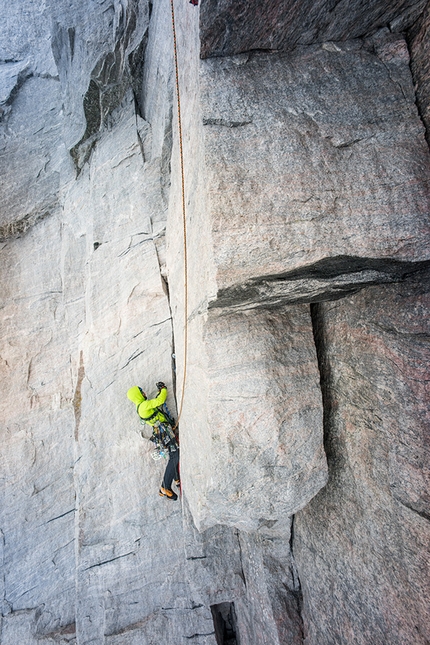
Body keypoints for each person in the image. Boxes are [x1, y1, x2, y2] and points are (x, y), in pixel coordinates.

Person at [127, 382, 180, 501]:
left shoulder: (141, 407)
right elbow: (160, 401)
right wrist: (164, 389)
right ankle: (165, 486)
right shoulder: (143, 406)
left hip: (161, 431)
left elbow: (155, 404)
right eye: (142, 392)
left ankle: (175, 480)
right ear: (138, 395)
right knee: (175, 455)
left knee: (174, 454)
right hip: (163, 431)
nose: (144, 393)